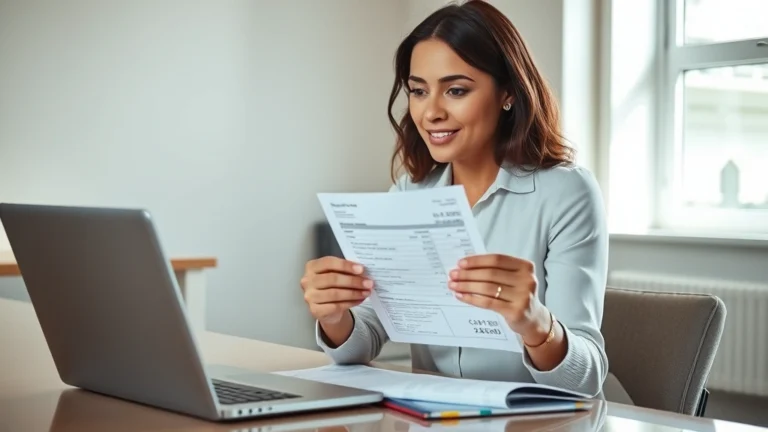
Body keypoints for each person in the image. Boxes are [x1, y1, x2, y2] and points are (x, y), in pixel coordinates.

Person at [300, 0, 609, 397]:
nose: (431, 112)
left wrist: (535, 323)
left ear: (508, 93)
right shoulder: (409, 193)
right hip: (436, 417)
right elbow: (365, 340)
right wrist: (334, 315)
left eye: (456, 90)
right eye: (418, 91)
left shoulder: (567, 193)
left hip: (541, 420)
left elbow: (586, 378)